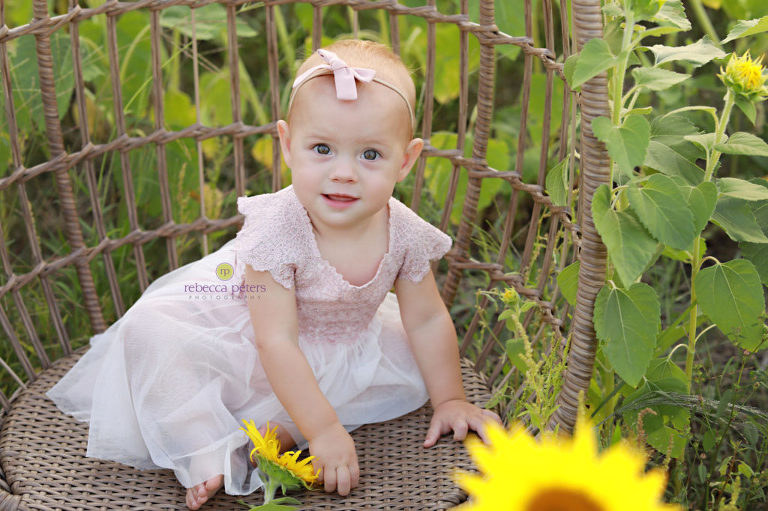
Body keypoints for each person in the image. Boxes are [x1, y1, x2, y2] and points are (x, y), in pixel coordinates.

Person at [47, 39, 501, 510]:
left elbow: (426, 319)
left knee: (404, 364)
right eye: (322, 149)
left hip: (343, 346)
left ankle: (271, 432)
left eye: (370, 155)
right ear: (287, 145)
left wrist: (450, 399)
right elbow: (275, 342)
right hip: (251, 338)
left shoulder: (403, 232)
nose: (344, 173)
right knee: (150, 330)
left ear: (405, 160)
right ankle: (204, 446)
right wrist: (325, 430)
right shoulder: (277, 230)